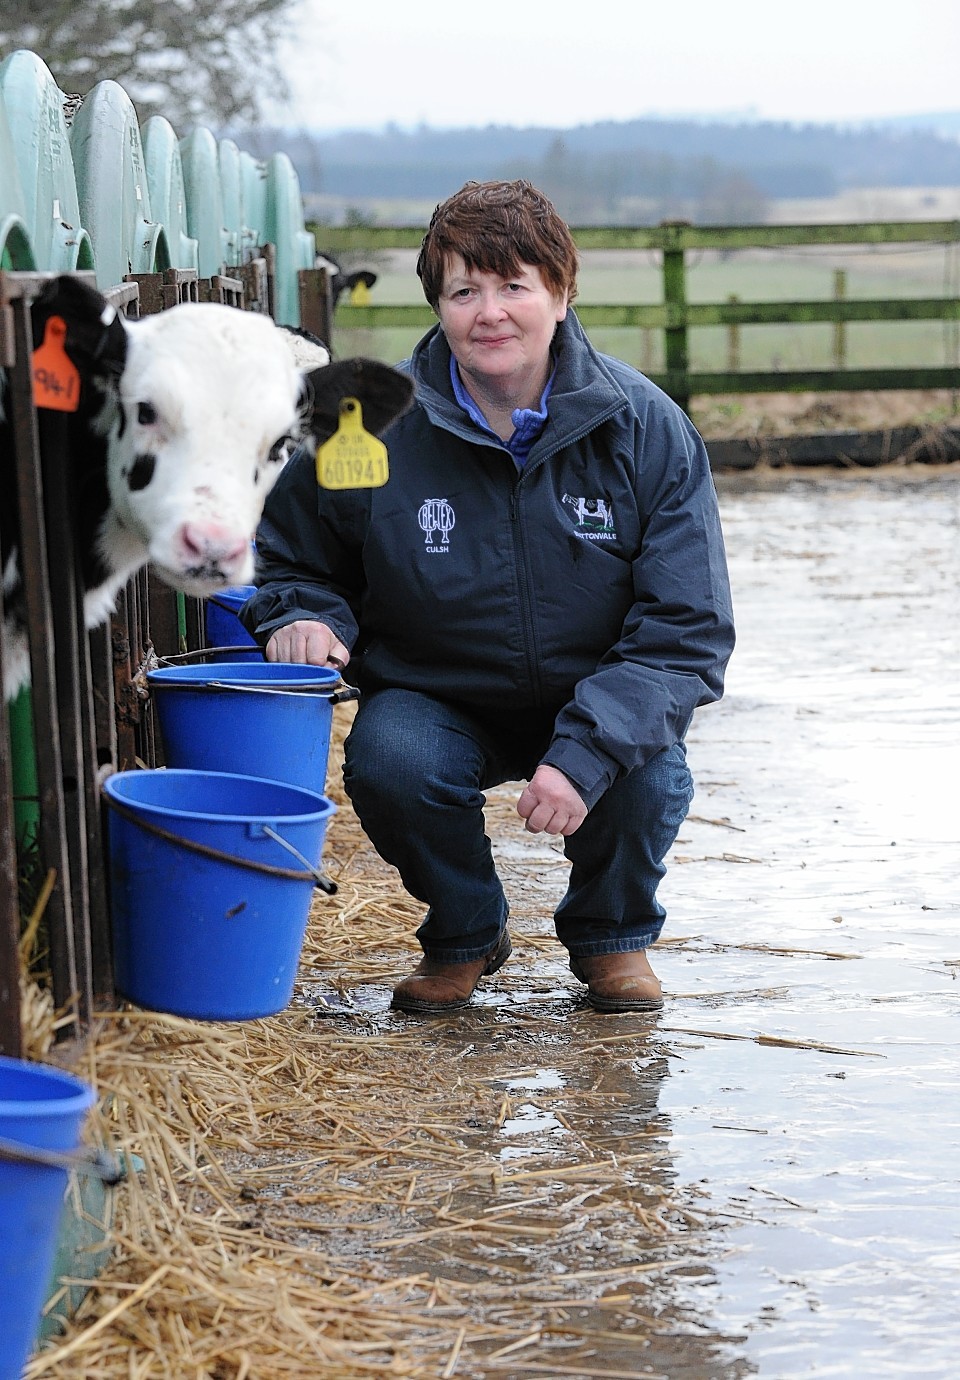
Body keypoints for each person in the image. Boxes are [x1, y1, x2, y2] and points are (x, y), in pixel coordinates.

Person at [242, 179, 735, 1015]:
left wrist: (584, 753)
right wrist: (301, 614)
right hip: (437, 692)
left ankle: (613, 937)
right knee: (391, 761)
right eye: (465, 290)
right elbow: (293, 554)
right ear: (438, 304)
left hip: (597, 686)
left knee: (648, 773)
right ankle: (466, 930)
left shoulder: (644, 427)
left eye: (514, 285)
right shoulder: (368, 423)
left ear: (561, 291)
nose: (490, 312)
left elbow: (685, 628)